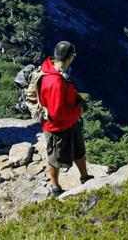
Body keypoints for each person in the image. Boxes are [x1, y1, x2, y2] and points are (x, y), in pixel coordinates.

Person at [39, 41, 92, 197]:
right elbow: (56, 113)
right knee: (55, 158)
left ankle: (85, 177)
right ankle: (55, 186)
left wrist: (77, 98)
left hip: (70, 122)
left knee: (79, 150)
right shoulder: (54, 82)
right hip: (56, 128)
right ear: (70, 57)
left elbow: (65, 92)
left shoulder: (55, 71)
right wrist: (78, 110)